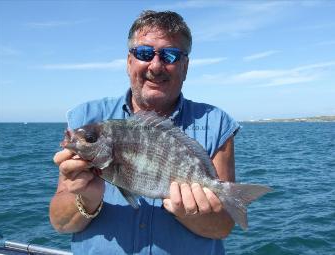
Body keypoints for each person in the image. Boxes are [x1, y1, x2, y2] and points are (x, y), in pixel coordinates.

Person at [50, 10, 240, 255]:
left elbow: (223, 227)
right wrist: (86, 199)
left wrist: (187, 211)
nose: (156, 65)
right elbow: (60, 224)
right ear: (129, 61)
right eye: (144, 53)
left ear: (185, 66)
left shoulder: (216, 123)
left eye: (170, 55)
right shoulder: (86, 118)